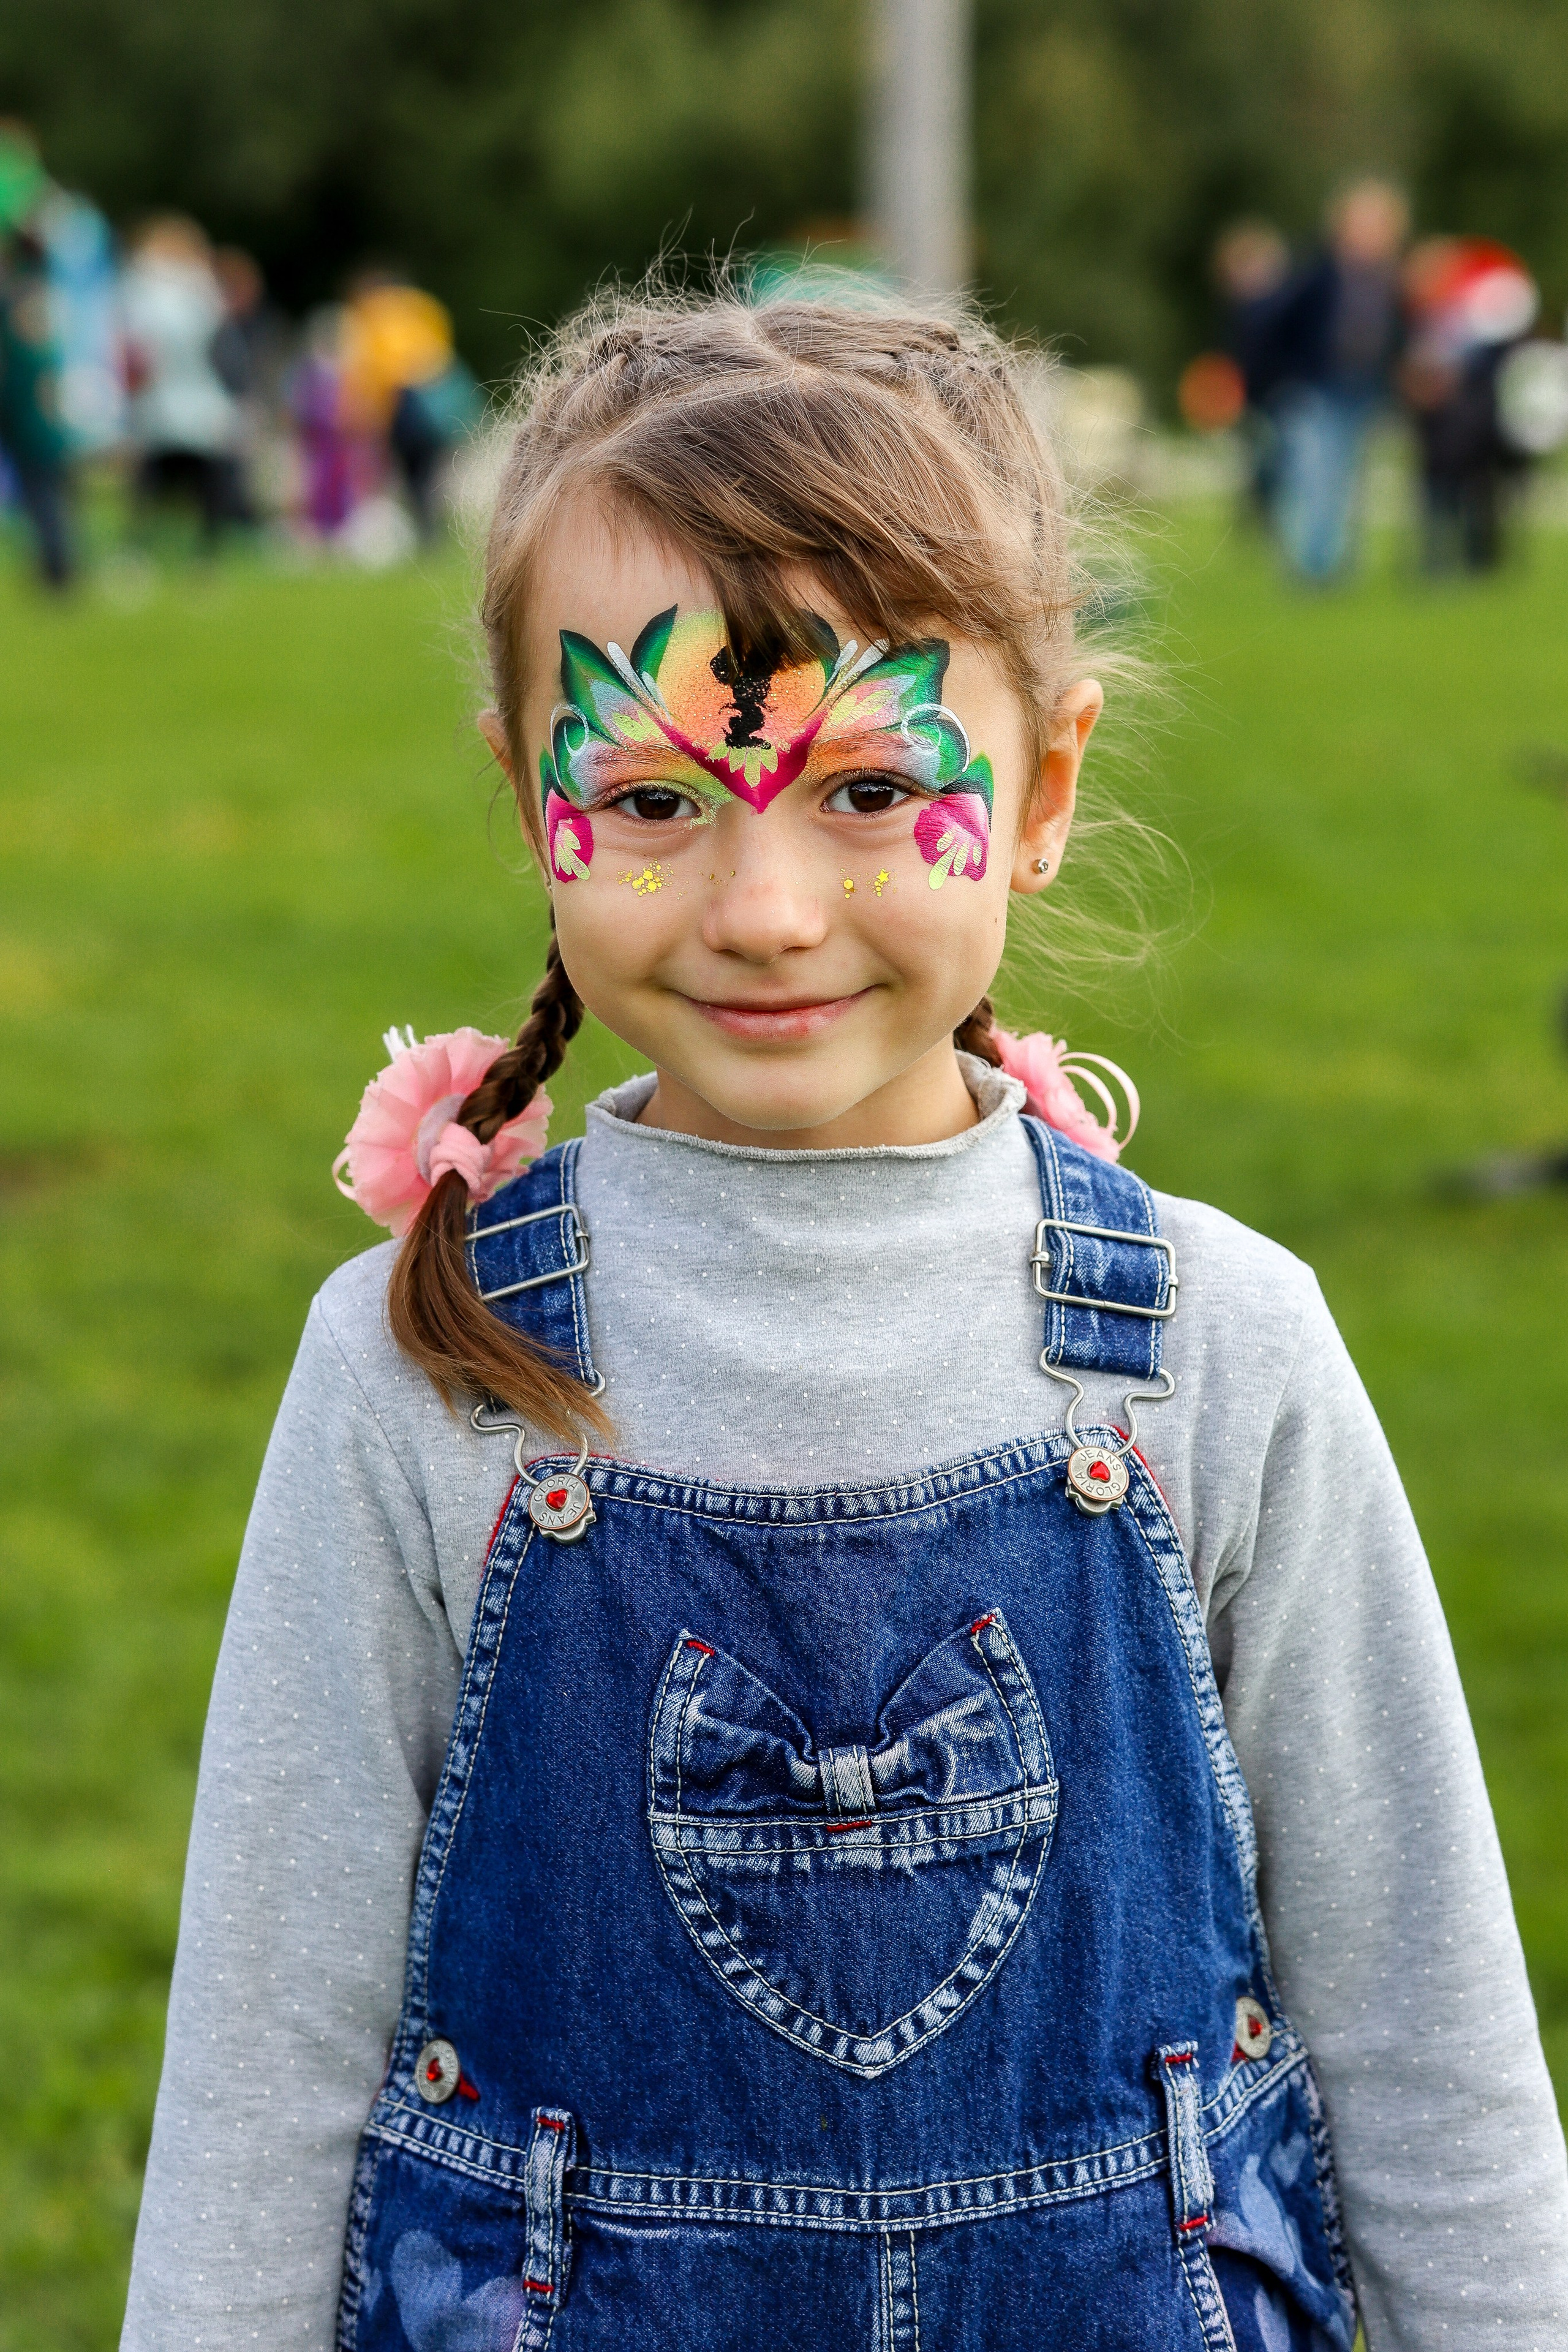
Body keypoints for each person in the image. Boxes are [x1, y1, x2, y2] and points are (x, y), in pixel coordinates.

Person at [119, 291, 1568, 2351]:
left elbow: (1429, 2044)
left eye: (877, 792)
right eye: (652, 803)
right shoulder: (417, 1373)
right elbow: (264, 2077)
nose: (767, 910)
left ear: (1046, 788)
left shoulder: (1221, 1349)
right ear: (528, 795)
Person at [1268, 178, 1409, 581]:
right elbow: (1279, 327)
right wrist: (1283, 379)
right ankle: (1312, 567)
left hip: (1365, 391)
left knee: (1349, 482)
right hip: (1315, 389)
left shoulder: (1392, 281)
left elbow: (1399, 337)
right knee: (1313, 475)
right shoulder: (1316, 276)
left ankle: (1336, 564)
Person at [119, 216, 242, 554]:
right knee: (206, 479)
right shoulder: (203, 288)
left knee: (151, 480)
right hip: (201, 395)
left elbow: (134, 348)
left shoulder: (140, 286)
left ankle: (139, 549)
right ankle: (206, 554)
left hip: (160, 397)